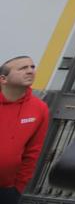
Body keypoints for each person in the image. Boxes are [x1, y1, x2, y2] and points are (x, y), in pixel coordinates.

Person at [0, 56, 49, 204]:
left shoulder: (40, 108)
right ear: (3, 79)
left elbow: (33, 151)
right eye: (22, 68)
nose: (30, 71)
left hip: (7, 190)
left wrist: (18, 187)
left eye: (32, 67)